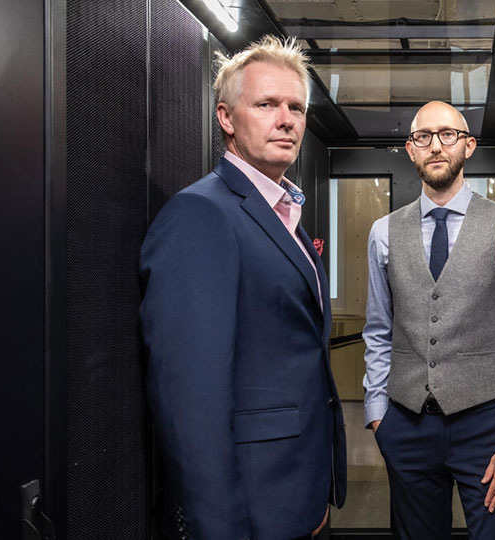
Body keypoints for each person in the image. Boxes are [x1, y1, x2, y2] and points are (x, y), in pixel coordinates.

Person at [139, 36, 344, 540]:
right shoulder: (201, 215)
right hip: (247, 509)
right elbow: (190, 399)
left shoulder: (284, 214)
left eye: (295, 106)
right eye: (267, 104)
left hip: (294, 492)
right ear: (227, 118)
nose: (286, 119)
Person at [362, 101, 495, 539]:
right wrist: (377, 416)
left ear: (468, 145)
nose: (435, 146)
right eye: (423, 137)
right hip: (405, 425)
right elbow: (377, 330)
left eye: (447, 134)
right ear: (411, 150)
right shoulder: (383, 232)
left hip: (485, 426)